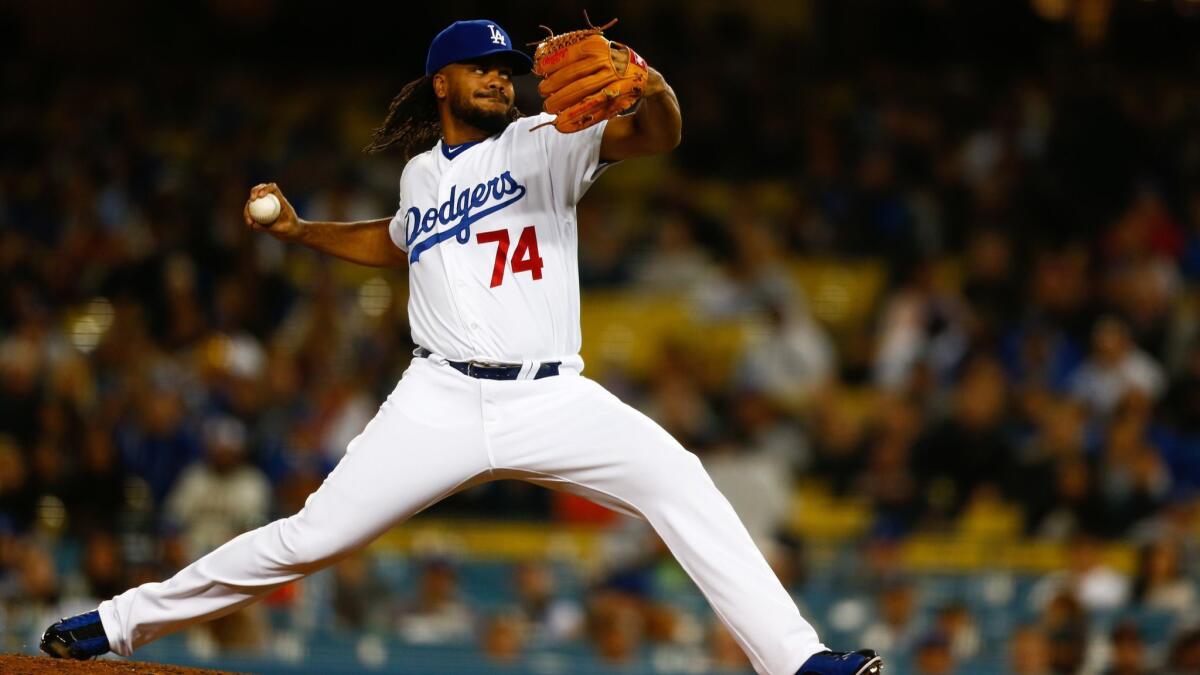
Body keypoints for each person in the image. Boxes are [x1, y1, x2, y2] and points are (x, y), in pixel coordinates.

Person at [39, 19, 880, 675]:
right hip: (437, 398)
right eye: (484, 68)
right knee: (308, 538)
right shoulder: (420, 176)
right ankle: (118, 620)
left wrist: (653, 89)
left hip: (553, 396)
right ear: (443, 81)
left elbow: (655, 137)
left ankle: (798, 659)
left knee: (681, 481)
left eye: (508, 71)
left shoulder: (546, 142)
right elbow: (393, 241)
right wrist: (299, 233)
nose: (501, 80)